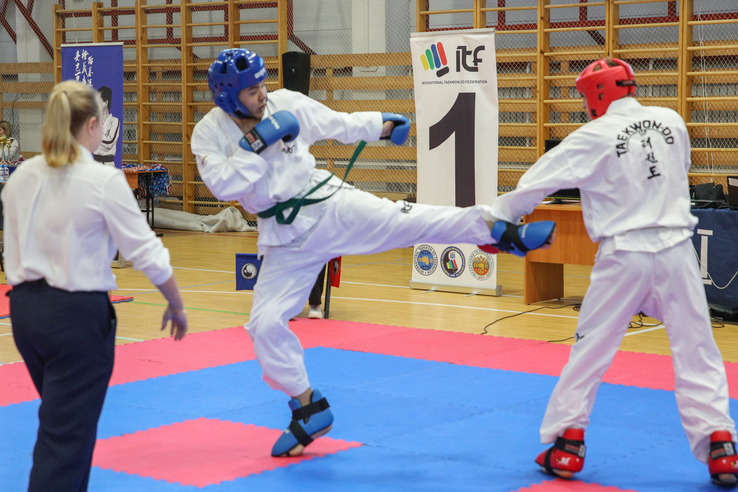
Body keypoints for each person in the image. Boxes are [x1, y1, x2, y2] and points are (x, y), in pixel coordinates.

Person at [191, 48, 555, 458]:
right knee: (264, 326)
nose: (262, 93)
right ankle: (308, 407)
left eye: (262, 84)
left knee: (408, 221)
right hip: (284, 239)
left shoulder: (286, 103)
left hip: (326, 205)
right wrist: (257, 143)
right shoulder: (208, 133)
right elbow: (223, 187)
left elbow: (335, 123)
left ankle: (498, 230)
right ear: (227, 96)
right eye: (253, 90)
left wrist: (381, 127)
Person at [488, 58, 738, 486]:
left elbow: (532, 185)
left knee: (590, 351)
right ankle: (721, 447)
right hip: (679, 251)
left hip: (624, 255)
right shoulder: (673, 121)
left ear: (597, 95)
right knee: (698, 349)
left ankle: (567, 446)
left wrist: (495, 221)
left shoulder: (591, 136)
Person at [2, 80, 188, 492]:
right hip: (76, 319)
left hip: (26, 315)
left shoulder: (21, 177)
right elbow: (145, 251)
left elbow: (12, 245)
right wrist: (176, 303)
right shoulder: (102, 180)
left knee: (62, 424)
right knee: (65, 439)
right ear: (90, 126)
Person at [93, 86, 119, 165]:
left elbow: (109, 142)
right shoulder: (94, 121)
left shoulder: (114, 121)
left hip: (109, 164)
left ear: (106, 103)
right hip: (96, 163)